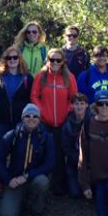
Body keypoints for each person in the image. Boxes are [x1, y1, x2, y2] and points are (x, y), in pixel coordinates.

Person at [0, 104, 55, 216]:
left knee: (42, 181)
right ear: (22, 118)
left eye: (35, 116)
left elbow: (50, 163)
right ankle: (21, 200)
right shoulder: (11, 135)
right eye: (27, 115)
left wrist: (27, 176)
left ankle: (36, 210)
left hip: (34, 178)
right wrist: (8, 179)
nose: (31, 118)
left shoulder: (47, 138)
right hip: (15, 181)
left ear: (39, 119)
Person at [30, 48, 78, 195]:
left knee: (59, 154)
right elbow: (34, 96)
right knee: (43, 153)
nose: (55, 63)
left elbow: (74, 98)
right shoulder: (41, 76)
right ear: (48, 61)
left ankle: (58, 186)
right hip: (45, 122)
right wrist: (42, 112)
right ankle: (39, 185)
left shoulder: (69, 77)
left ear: (63, 61)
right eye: (52, 60)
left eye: (58, 60)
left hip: (62, 123)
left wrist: (66, 111)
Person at [0, 46, 34, 192]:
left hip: (20, 120)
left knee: (18, 150)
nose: (12, 60)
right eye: (9, 58)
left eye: (15, 57)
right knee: (1, 149)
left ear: (19, 59)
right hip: (1, 119)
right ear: (5, 60)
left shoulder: (27, 77)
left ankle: (14, 179)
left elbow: (30, 99)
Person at [61, 93, 90, 198]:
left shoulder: (92, 121)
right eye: (76, 104)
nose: (79, 107)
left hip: (90, 161)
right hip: (74, 161)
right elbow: (66, 148)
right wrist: (78, 160)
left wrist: (87, 161)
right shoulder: (67, 125)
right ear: (72, 105)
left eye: (82, 103)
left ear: (87, 105)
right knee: (75, 193)